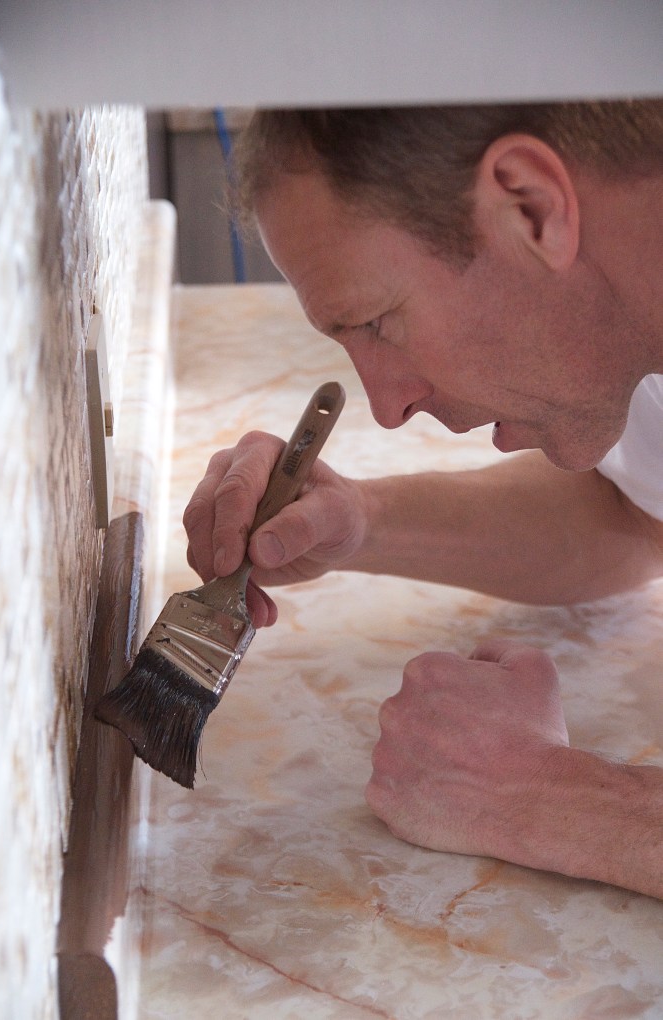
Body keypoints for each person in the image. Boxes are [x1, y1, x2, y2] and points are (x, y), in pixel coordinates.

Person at [183, 103, 663, 899]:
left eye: (377, 321)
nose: (388, 405)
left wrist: (548, 796)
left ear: (531, 207)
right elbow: (639, 514)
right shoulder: (626, 332)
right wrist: (361, 521)